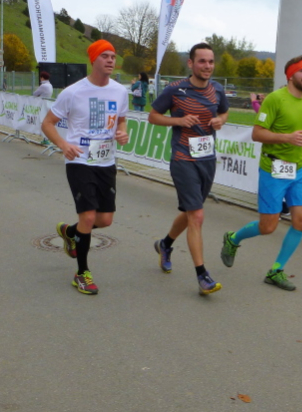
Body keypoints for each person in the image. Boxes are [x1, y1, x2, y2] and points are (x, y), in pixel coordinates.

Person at [221, 55, 302, 291]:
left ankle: (276, 270)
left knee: (301, 221)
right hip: (273, 169)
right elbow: (257, 133)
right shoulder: (275, 99)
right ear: (291, 75)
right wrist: (286, 138)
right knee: (268, 227)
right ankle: (233, 239)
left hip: (298, 170)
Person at [41, 39, 129, 295]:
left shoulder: (120, 91)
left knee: (105, 220)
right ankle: (82, 273)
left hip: (106, 161)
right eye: (105, 56)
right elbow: (47, 123)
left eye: (113, 56)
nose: (110, 60)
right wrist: (63, 144)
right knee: (88, 217)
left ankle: (71, 232)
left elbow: (122, 120)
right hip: (79, 160)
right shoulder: (73, 92)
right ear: (93, 60)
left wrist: (122, 132)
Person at [148, 43, 229, 296]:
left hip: (207, 159)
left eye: (211, 61)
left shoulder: (217, 89)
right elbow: (153, 116)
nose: (207, 66)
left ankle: (165, 244)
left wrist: (219, 121)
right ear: (191, 63)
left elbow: (224, 113)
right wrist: (179, 120)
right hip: (183, 159)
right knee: (197, 215)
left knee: (191, 211)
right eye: (202, 61)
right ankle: (202, 275)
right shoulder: (176, 89)